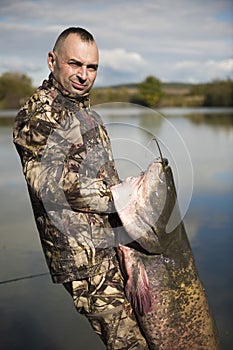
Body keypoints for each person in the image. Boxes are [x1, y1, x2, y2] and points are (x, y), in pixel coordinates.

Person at [13, 27, 149, 349]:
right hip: (82, 261)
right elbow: (49, 184)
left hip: (111, 245)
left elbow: (102, 175)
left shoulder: (85, 113)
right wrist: (121, 197)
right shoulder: (37, 115)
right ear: (52, 61)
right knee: (130, 344)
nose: (83, 75)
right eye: (75, 64)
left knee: (150, 332)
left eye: (91, 68)